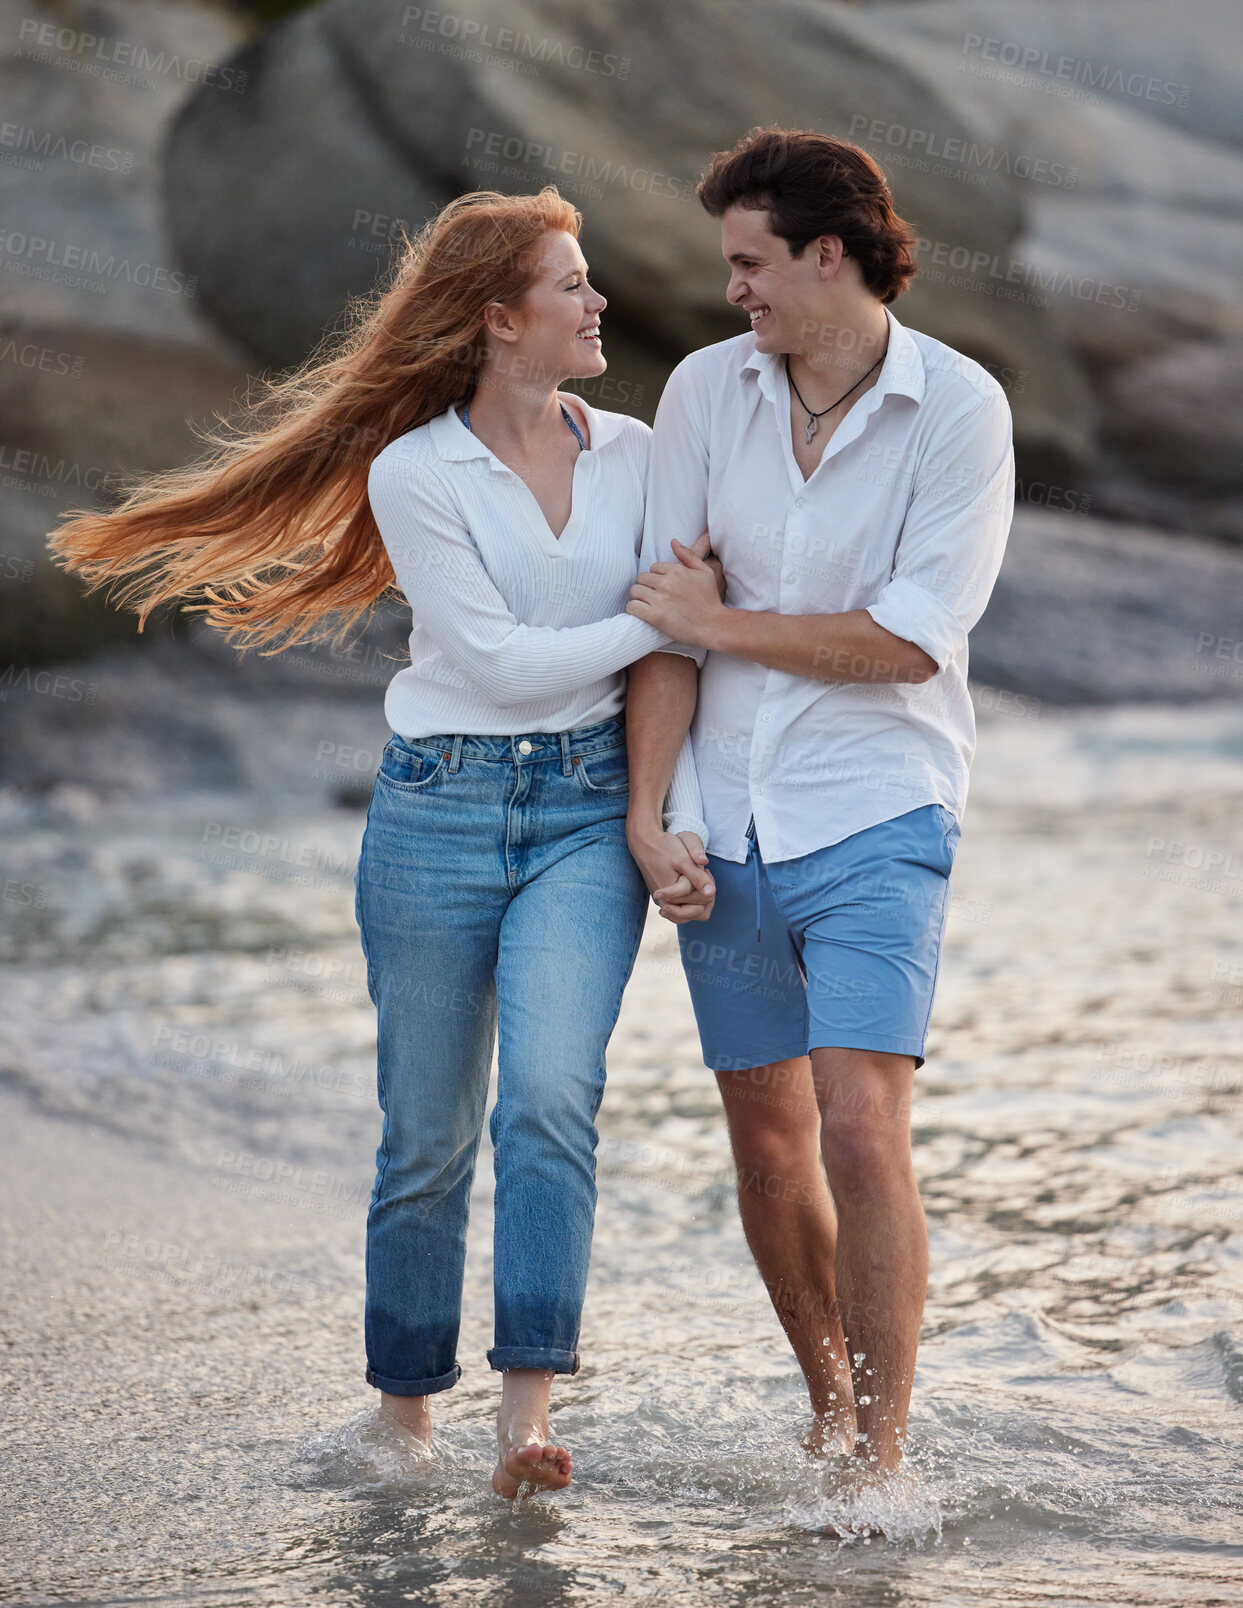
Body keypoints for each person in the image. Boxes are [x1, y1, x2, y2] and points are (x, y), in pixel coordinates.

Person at [45, 186, 718, 1500]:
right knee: (426, 1134)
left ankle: (527, 1421)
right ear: (498, 317)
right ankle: (404, 1416)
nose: (597, 303)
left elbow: (674, 656)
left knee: (549, 1102)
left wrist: (653, 809)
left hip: (586, 815)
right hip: (437, 815)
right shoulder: (416, 473)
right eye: (570, 285)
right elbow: (507, 667)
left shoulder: (642, 455)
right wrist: (662, 618)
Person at [623, 127, 1016, 1481]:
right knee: (769, 1145)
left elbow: (911, 640)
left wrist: (729, 621)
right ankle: (832, 1404)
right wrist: (647, 811)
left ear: (828, 253)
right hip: (723, 821)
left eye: (750, 261)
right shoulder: (699, 394)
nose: (732, 287)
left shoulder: (960, 410)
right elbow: (666, 627)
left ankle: (882, 1460)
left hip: (880, 810)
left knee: (859, 1119)